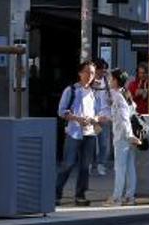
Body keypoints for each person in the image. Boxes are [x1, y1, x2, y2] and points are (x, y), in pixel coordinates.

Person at [55, 60, 101, 206]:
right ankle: (56, 193)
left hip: (89, 133)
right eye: (87, 72)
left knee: (85, 166)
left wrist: (94, 119)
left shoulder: (94, 92)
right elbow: (61, 112)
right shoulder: (71, 90)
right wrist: (77, 118)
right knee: (68, 164)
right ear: (80, 73)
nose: (89, 75)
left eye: (92, 73)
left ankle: (80, 195)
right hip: (74, 132)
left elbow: (99, 112)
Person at [103, 69, 142, 206]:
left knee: (120, 168)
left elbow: (124, 118)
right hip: (129, 136)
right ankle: (129, 197)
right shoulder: (126, 93)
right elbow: (131, 111)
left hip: (122, 136)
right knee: (130, 167)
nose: (109, 80)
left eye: (110, 78)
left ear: (115, 80)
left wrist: (129, 136)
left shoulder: (117, 95)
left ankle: (116, 198)